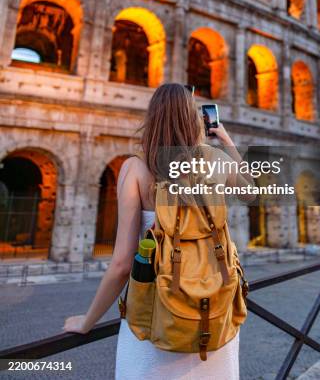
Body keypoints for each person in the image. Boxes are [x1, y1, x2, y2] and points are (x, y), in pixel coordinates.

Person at [63, 83, 252, 379]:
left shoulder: (136, 169)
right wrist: (225, 138)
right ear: (193, 119)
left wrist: (88, 320)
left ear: (153, 118)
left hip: (158, 318)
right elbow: (251, 192)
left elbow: (123, 264)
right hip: (215, 317)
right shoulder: (215, 161)